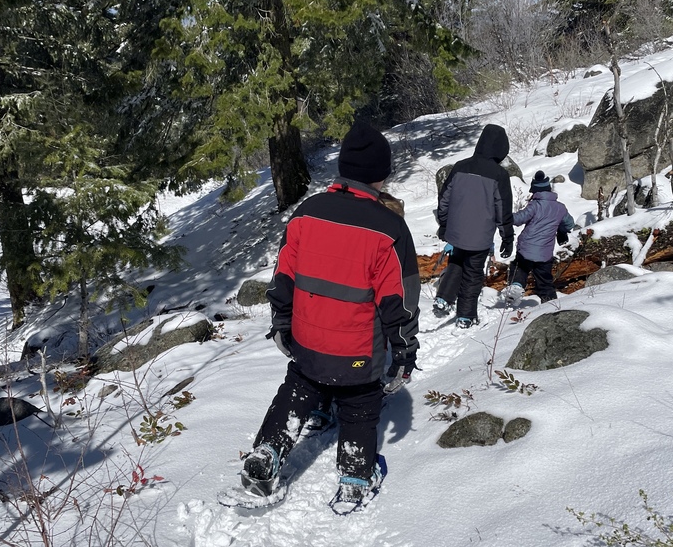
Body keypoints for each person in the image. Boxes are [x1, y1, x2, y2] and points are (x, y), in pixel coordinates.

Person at [240, 119, 420, 502]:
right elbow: (399, 300)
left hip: (307, 341)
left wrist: (281, 322)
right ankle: (355, 476)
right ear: (381, 175)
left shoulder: (307, 212)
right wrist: (404, 350)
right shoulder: (389, 229)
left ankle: (268, 450)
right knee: (359, 403)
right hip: (357, 353)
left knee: (299, 387)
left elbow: (282, 276)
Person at [433, 123, 514, 327]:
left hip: (457, 231)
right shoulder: (499, 175)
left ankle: (443, 298)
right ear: (501, 148)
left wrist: (444, 224)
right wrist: (507, 237)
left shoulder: (460, 166)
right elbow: (502, 209)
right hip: (480, 237)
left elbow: (444, 200)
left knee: (456, 263)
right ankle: (466, 316)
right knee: (472, 274)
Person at [504, 171, 574, 306]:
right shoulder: (560, 208)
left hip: (527, 248)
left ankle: (517, 286)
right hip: (545, 253)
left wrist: (504, 216)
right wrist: (561, 230)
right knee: (545, 280)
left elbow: (519, 219)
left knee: (519, 268)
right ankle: (550, 304)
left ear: (535, 190)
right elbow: (570, 223)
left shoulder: (535, 205)